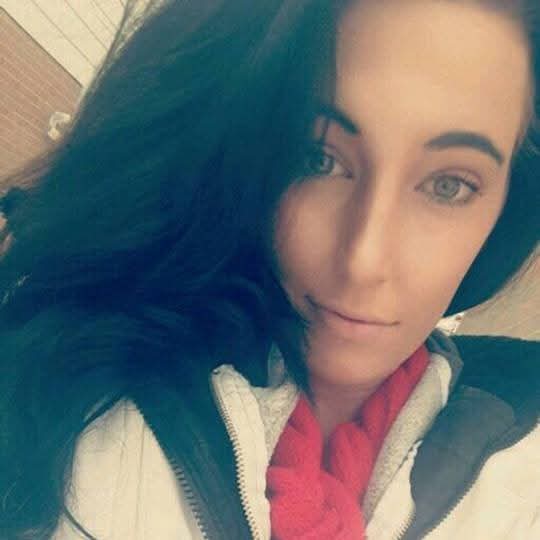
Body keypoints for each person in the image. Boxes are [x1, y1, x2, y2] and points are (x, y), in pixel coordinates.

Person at [0, 0, 538, 538]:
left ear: (508, 209)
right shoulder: (62, 403)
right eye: (319, 159)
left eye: (448, 185)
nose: (364, 259)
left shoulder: (520, 480)